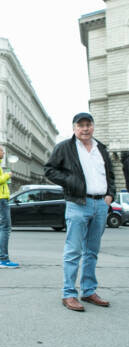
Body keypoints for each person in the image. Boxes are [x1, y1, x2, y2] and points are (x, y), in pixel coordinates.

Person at [44, 112, 115, 312]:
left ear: (93, 126)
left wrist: (110, 195)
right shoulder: (65, 147)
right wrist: (71, 182)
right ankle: (69, 293)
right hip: (77, 203)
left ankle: (89, 291)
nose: (85, 129)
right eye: (81, 125)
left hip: (100, 204)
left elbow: (110, 174)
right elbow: (49, 170)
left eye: (88, 125)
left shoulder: (101, 148)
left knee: (92, 251)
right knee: (73, 251)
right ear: (74, 128)